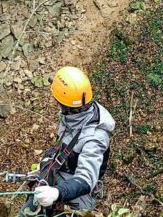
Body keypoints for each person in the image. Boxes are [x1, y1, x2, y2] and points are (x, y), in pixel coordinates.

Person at [19, 66, 115, 216]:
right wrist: (44, 166)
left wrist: (57, 193)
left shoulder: (95, 137)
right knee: (26, 212)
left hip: (79, 195)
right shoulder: (72, 117)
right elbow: (63, 149)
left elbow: (85, 180)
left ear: (65, 104)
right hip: (61, 175)